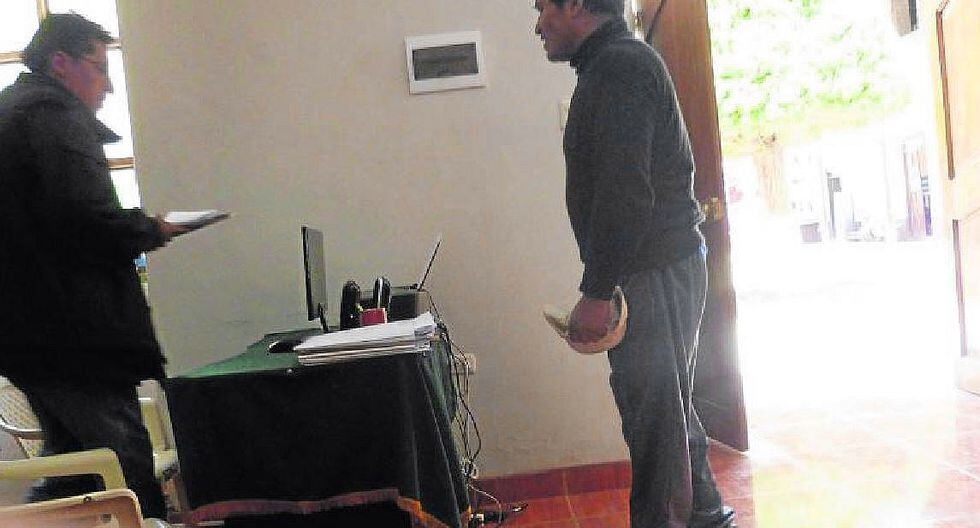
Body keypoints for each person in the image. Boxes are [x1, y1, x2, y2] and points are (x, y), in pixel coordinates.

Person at [532, 1, 736, 526]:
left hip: (652, 271)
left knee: (655, 425)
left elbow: (626, 192)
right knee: (667, 414)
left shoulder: (620, 67)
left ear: (576, 5)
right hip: (659, 268)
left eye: (542, 8)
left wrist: (597, 291)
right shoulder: (615, 65)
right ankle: (707, 515)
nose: (538, 25)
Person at [0, 13, 186, 520]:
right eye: (99, 68)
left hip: (30, 339)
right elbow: (85, 220)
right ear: (61, 63)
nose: (107, 86)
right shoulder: (55, 116)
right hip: (78, 339)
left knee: (74, 471)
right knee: (123, 471)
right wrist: (152, 229)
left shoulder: (12, 111)